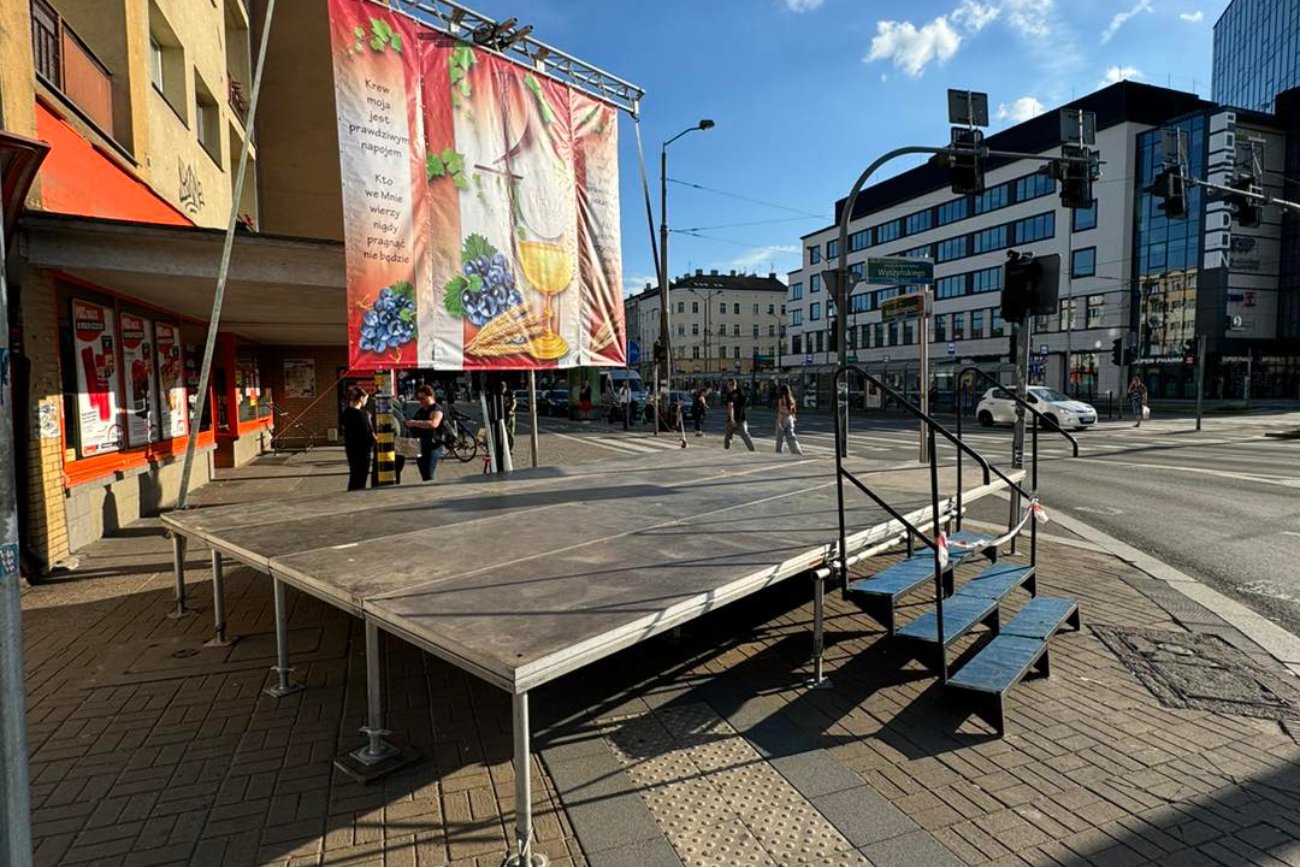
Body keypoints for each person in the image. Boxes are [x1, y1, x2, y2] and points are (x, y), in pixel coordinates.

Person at [405, 384, 446, 480]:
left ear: (430, 396)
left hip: (433, 446)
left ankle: (431, 492)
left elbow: (434, 424)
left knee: (428, 473)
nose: (420, 401)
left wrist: (415, 423)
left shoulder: (436, 409)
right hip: (420, 445)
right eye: (418, 398)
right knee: (423, 473)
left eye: (422, 398)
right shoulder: (421, 410)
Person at [340, 386, 375, 491]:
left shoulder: (346, 413)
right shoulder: (363, 414)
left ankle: (351, 494)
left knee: (354, 474)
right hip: (363, 451)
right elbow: (368, 433)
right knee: (361, 477)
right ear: (361, 398)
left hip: (351, 449)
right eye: (366, 398)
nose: (366, 401)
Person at [723, 378, 755, 451]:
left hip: (733, 419)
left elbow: (730, 407)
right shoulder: (741, 393)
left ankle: (726, 450)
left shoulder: (730, 395)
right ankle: (752, 450)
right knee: (745, 435)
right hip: (741, 418)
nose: (727, 387)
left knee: (728, 436)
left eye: (728, 385)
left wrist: (732, 419)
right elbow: (745, 405)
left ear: (731, 385)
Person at [774, 384, 803, 455]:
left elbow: (780, 411)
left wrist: (779, 422)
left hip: (782, 418)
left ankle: (778, 453)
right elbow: (793, 411)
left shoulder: (781, 399)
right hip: (790, 419)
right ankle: (797, 451)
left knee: (779, 438)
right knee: (791, 437)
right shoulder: (791, 399)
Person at [500, 380, 517, 451]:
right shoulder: (499, 394)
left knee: (511, 431)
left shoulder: (510, 392)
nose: (501, 390)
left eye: (502, 388)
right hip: (502, 415)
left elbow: (514, 402)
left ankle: (510, 448)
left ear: (505, 387)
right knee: (503, 431)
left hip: (510, 414)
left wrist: (512, 409)